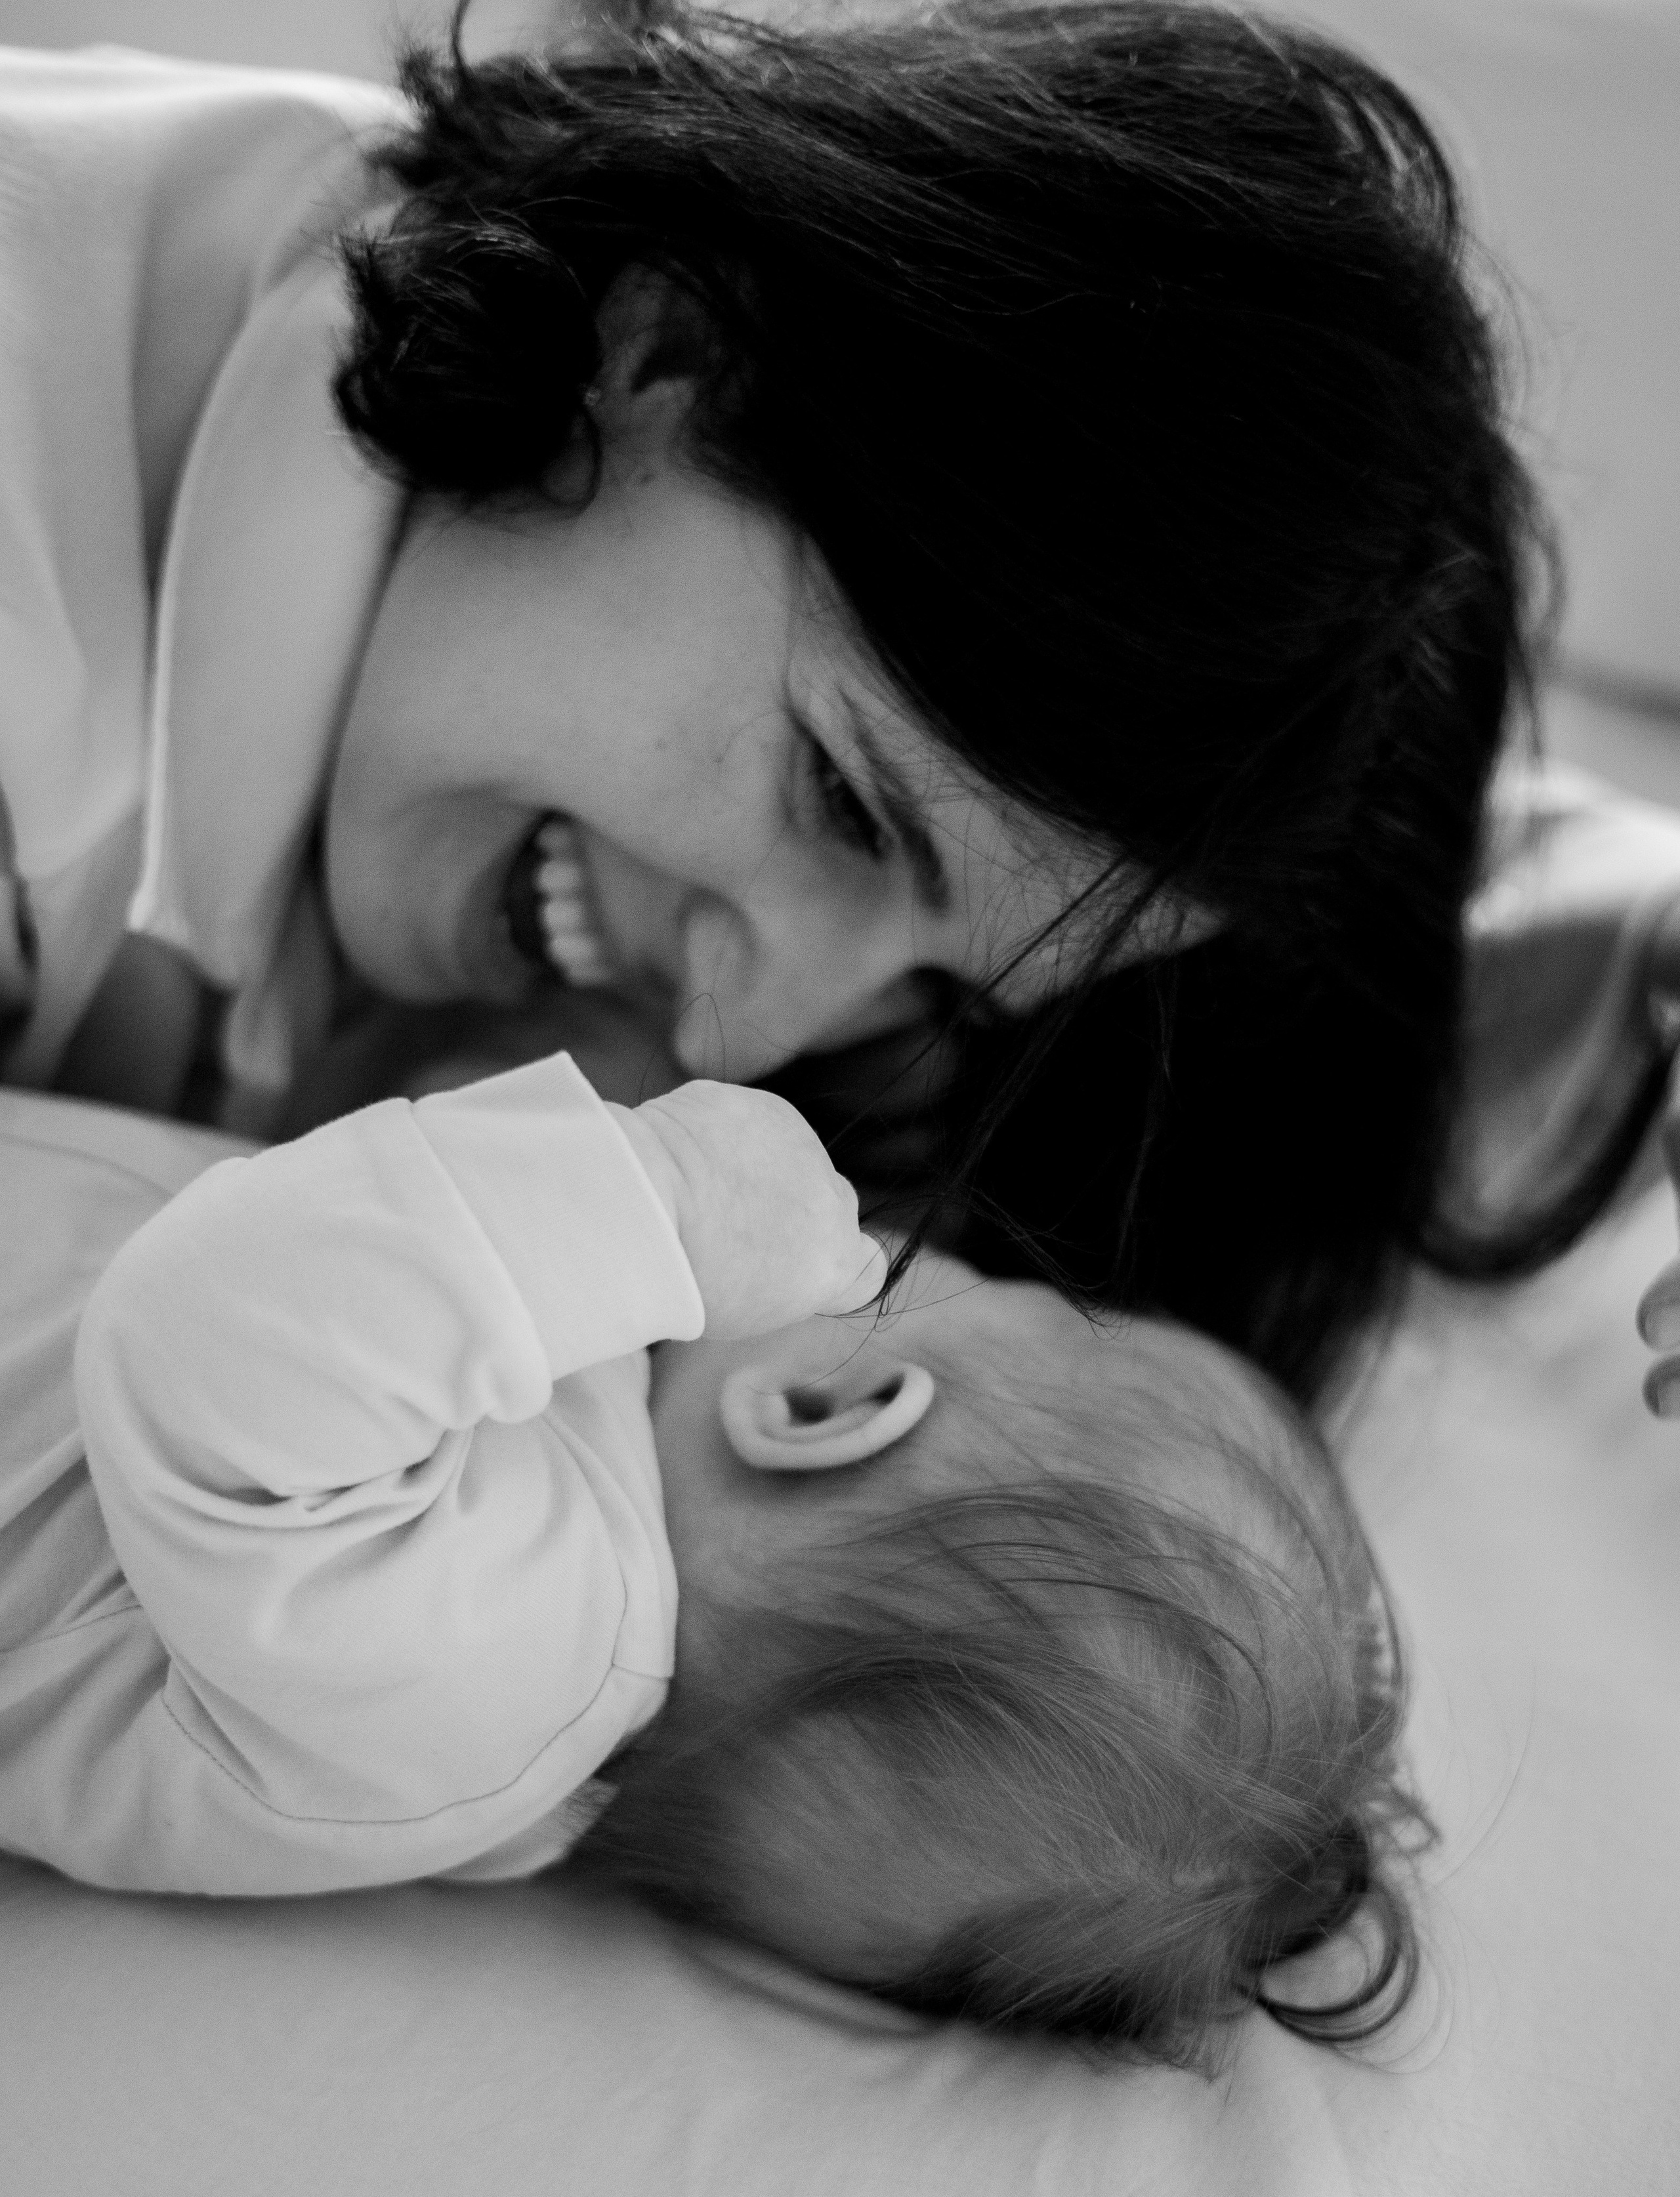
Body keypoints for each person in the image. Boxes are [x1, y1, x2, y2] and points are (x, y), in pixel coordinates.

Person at [3, 1, 1647, 1417]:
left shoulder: (556, 517)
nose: (747, 1039)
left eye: (941, 987)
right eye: (845, 805)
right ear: (667, 351)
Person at [0, 1049, 1420, 2066]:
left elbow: (219, 1334)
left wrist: (657, 1201)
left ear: (825, 1410)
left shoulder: (500, 1673)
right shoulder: (545, 1542)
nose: (922, 1232)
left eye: (995, 1294)